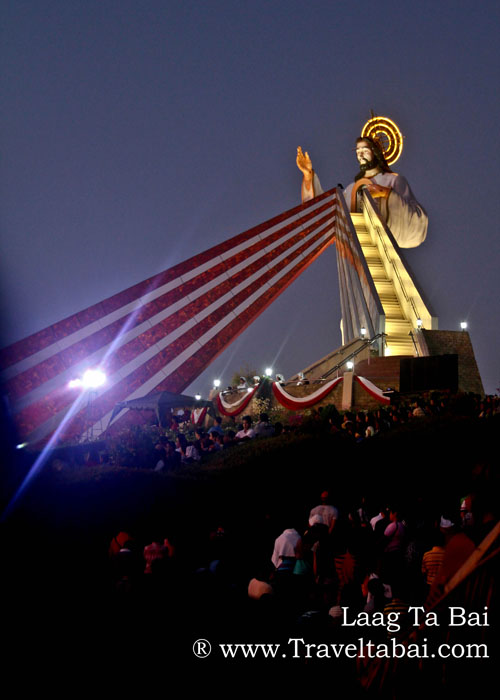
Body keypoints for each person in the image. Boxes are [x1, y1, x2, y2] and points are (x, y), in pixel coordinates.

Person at [296, 135, 427, 248]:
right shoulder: (351, 189)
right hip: (359, 259)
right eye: (358, 151)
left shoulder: (393, 180)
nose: (360, 154)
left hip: (386, 256)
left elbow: (417, 223)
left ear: (374, 152)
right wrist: (308, 176)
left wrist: (387, 194)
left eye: (365, 150)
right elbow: (327, 214)